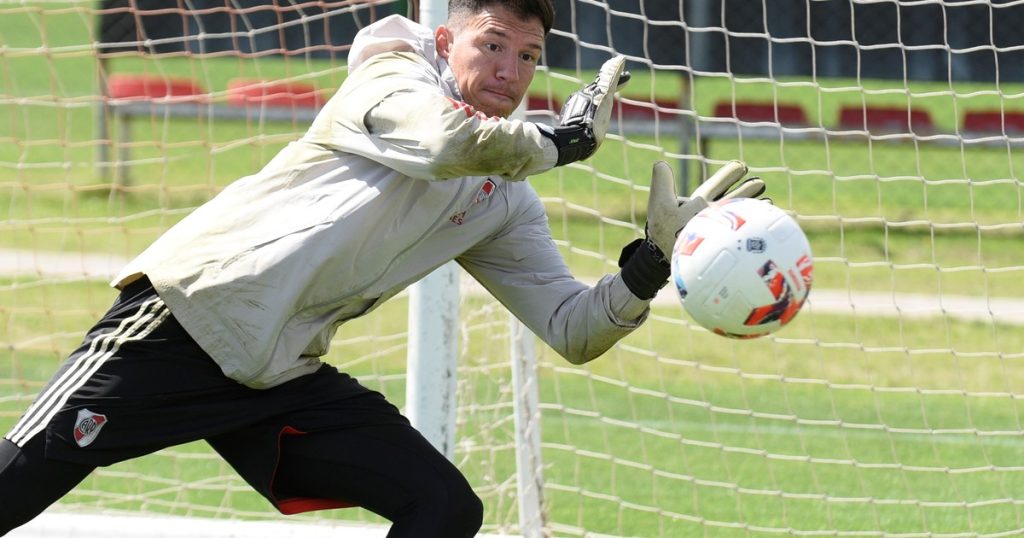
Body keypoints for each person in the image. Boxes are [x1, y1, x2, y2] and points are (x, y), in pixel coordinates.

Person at [0, 0, 764, 536]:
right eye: (491, 44)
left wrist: (651, 266)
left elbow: (572, 329)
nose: (509, 68)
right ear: (444, 42)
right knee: (13, 489)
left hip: (278, 374)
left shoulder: (503, 195)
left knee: (444, 508)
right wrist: (559, 143)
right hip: (185, 322)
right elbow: (442, 145)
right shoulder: (392, 79)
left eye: (527, 55)